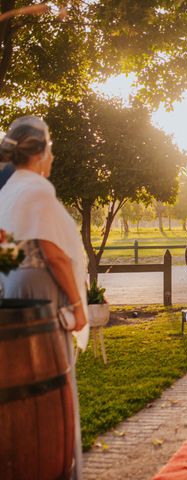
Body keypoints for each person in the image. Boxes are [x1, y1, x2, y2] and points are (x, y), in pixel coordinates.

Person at [0, 115, 90, 479]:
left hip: (16, 286)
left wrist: (14, 281)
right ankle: (62, 464)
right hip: (43, 288)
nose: (53, 156)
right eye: (51, 147)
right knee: (56, 372)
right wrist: (77, 305)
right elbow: (53, 252)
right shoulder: (36, 189)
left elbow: (6, 250)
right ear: (38, 152)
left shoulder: (7, 192)